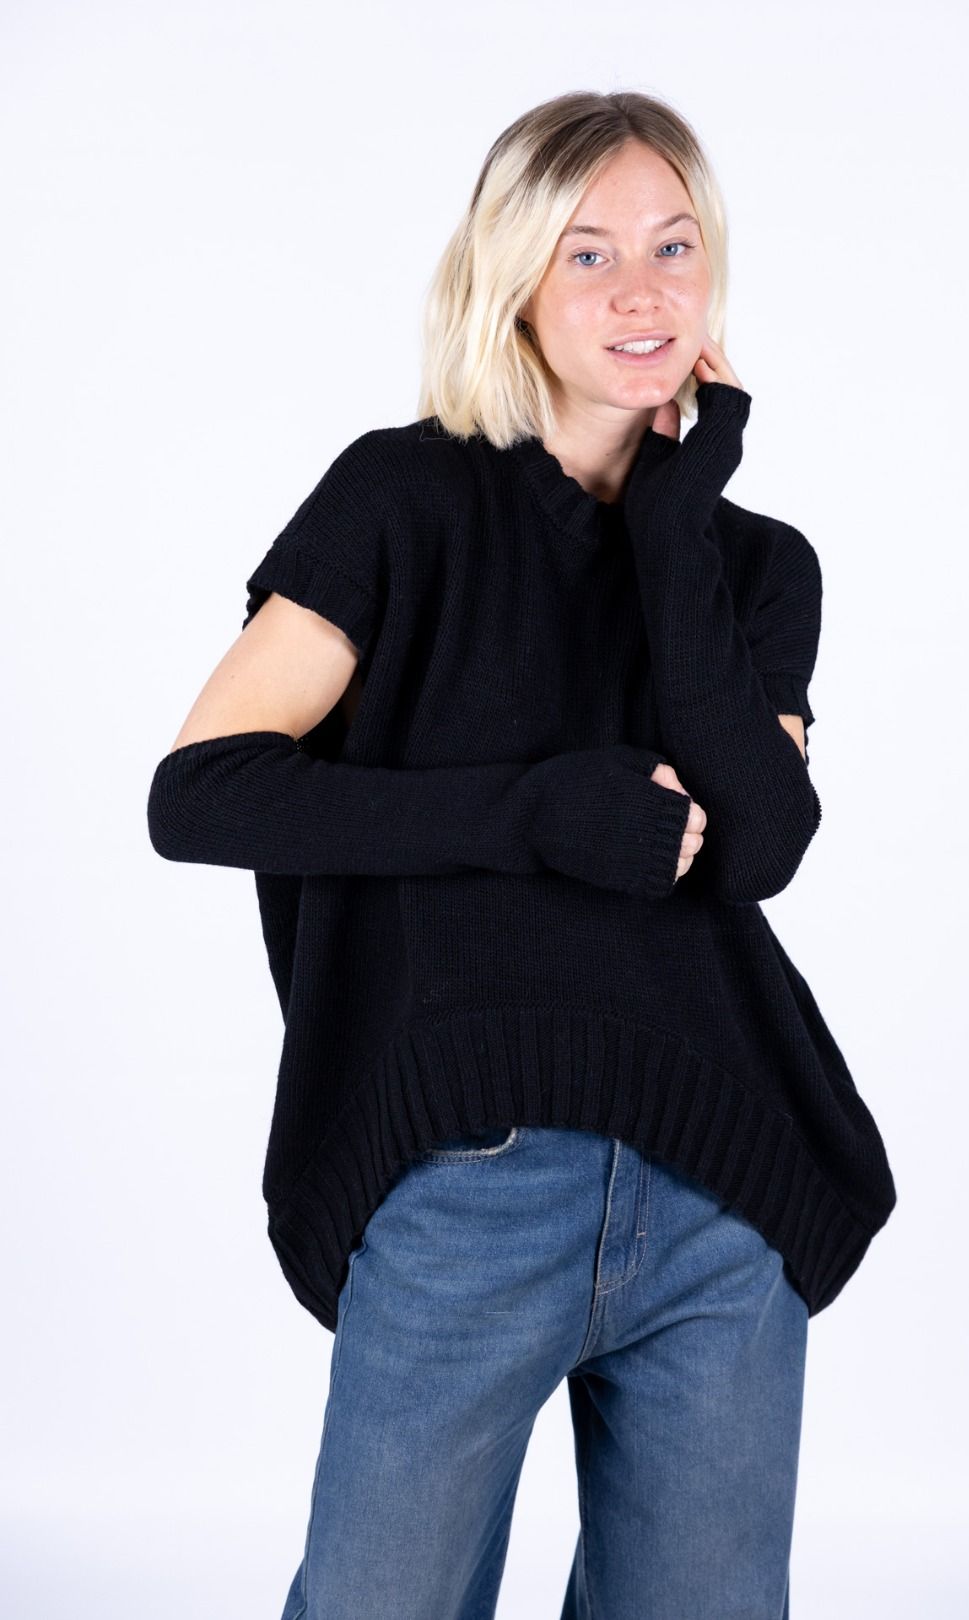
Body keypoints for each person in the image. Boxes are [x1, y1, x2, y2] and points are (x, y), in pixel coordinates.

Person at [147, 89, 897, 1620]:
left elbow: (761, 843)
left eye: (674, 247)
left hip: (721, 1180)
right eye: (588, 254)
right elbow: (202, 793)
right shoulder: (403, 499)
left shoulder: (756, 565)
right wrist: (532, 811)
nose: (642, 292)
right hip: (469, 1171)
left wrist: (676, 520)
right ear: (512, 282)